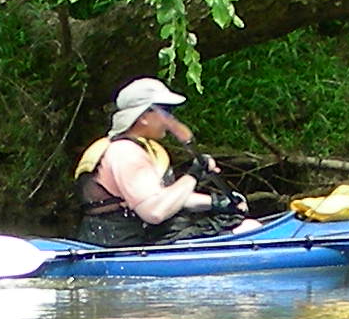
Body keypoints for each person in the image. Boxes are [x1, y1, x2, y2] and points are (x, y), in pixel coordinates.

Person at [72, 78, 254, 246]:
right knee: (248, 229)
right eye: (166, 110)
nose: (171, 119)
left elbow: (163, 198)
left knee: (246, 226)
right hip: (125, 243)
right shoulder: (126, 153)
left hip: (132, 237)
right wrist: (193, 175)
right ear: (143, 116)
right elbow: (155, 211)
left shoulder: (135, 148)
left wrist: (216, 202)